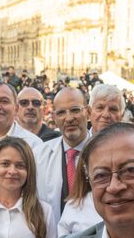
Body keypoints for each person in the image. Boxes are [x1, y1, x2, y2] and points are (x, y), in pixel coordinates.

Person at [36, 87, 92, 224]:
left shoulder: (105, 153)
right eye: (61, 113)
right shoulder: (39, 155)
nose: (69, 118)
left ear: (88, 113)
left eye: (75, 110)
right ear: (54, 118)